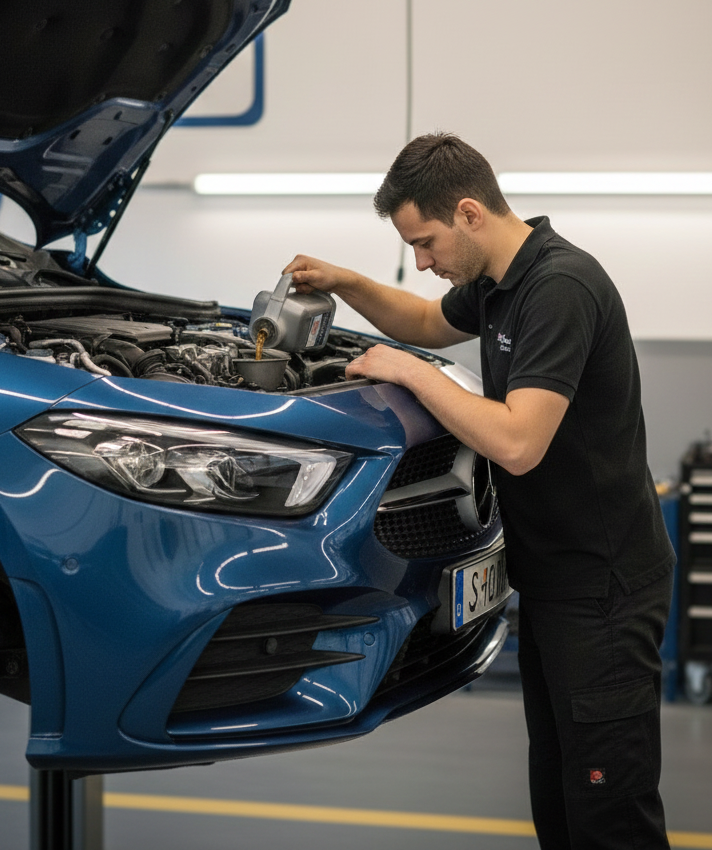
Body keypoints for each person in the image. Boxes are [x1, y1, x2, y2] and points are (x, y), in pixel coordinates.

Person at [284, 133, 676, 850]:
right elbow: (426, 321)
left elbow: (519, 443)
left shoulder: (559, 287)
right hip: (560, 584)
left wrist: (411, 373)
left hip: (605, 592)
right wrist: (345, 282)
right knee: (561, 802)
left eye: (426, 244)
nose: (425, 263)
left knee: (610, 817)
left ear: (469, 213)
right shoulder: (502, 282)